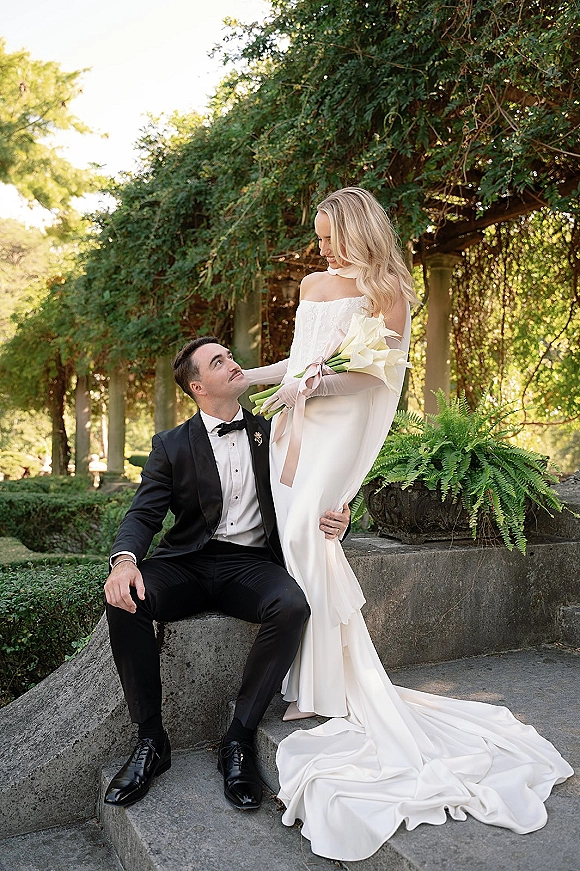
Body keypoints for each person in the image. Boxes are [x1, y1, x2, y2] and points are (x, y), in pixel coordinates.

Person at [243, 187, 573, 861]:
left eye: (331, 234)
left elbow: (373, 376)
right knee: (299, 547)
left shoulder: (391, 288)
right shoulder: (311, 281)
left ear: (360, 230)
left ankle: (328, 685)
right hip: (293, 431)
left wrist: (316, 385)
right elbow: (300, 355)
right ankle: (311, 685)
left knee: (314, 531)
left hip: (333, 430)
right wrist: (255, 378)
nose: (322, 247)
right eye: (318, 234)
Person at [102, 336, 350, 813]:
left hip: (250, 565)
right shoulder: (171, 445)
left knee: (292, 605)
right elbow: (144, 514)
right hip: (187, 563)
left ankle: (238, 739)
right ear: (198, 386)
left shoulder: (272, 433)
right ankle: (152, 742)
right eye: (219, 361)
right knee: (124, 598)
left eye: (231, 356)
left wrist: (340, 516)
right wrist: (125, 560)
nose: (234, 364)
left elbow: (315, 486)